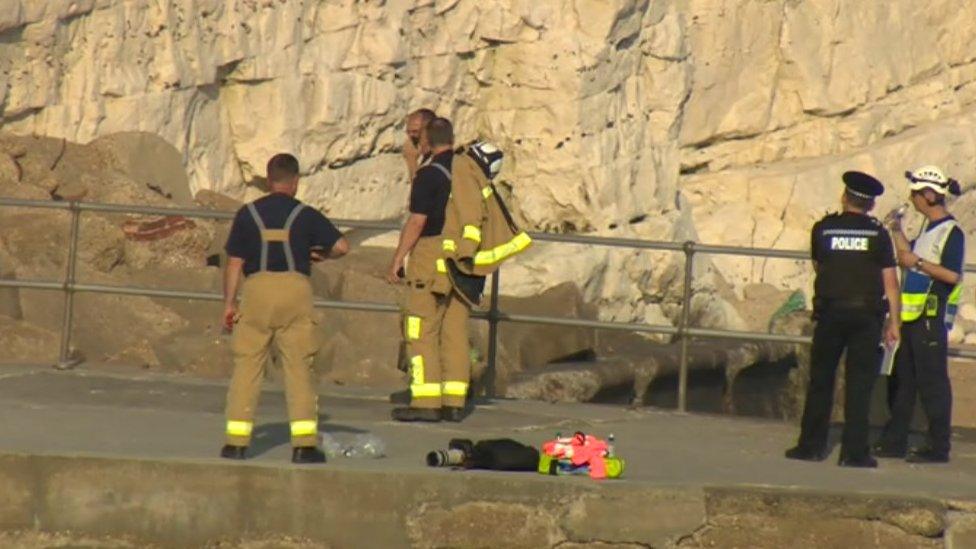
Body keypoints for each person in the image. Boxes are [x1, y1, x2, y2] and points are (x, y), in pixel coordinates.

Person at [220, 153, 349, 463]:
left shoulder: (247, 213)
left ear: (268, 179)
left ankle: (236, 443)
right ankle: (304, 446)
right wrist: (320, 256)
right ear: (294, 182)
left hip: (257, 291)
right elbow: (342, 246)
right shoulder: (305, 214)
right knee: (298, 367)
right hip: (295, 290)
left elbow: (234, 263)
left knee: (247, 366)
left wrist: (229, 304)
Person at [785, 171, 900, 468]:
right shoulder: (878, 233)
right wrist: (894, 323)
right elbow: (890, 281)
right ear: (871, 205)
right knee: (860, 384)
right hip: (866, 315)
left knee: (821, 380)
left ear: (844, 197)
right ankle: (854, 452)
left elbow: (819, 266)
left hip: (831, 312)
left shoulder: (823, 229)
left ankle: (810, 447)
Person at [873, 165, 964, 464]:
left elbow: (952, 275)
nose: (912, 200)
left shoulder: (952, 232)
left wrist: (920, 262)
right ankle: (895, 441)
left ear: (929, 195)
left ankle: (939, 446)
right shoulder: (928, 230)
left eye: (915, 194)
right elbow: (907, 258)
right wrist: (896, 231)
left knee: (933, 384)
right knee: (903, 382)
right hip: (912, 321)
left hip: (929, 319)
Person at [386, 117, 469, 422]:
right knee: (454, 331)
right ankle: (454, 401)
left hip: (431, 254)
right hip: (462, 256)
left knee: (420, 329)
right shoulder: (467, 170)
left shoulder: (429, 175)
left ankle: (426, 402)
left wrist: (398, 258)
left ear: (427, 141)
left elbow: (418, 220)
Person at [403, 108, 437, 181]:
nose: (411, 138)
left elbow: (422, 190)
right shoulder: (422, 159)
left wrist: (411, 161)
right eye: (408, 132)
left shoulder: (442, 160)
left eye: (415, 132)